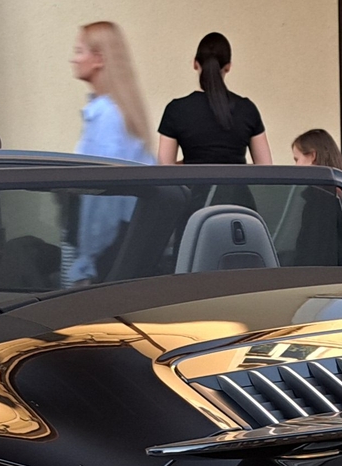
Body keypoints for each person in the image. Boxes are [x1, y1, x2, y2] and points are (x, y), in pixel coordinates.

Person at [66, 21, 152, 284]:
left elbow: (102, 199)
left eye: (79, 50)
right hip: (123, 250)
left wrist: (86, 263)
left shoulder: (107, 118)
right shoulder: (116, 112)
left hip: (106, 258)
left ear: (99, 59)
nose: (73, 59)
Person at [157, 32, 269, 166]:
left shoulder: (175, 110)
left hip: (193, 187)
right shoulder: (247, 108)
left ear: (195, 63)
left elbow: (164, 170)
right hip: (235, 187)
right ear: (228, 67)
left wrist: (189, 164)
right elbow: (265, 166)